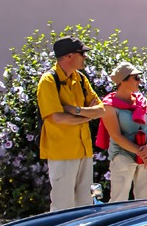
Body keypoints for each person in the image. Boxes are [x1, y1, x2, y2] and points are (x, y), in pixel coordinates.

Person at [37, 36, 105, 212]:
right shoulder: (48, 81)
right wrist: (87, 115)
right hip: (62, 153)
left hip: (84, 151)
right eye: (82, 53)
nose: (85, 57)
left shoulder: (80, 79)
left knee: (85, 206)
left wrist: (75, 110)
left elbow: (101, 110)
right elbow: (57, 118)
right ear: (68, 56)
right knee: (63, 207)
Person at [98, 62, 147, 202]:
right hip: (123, 156)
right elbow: (116, 136)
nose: (140, 81)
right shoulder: (109, 106)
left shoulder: (142, 101)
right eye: (136, 77)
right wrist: (141, 152)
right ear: (123, 80)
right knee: (119, 201)